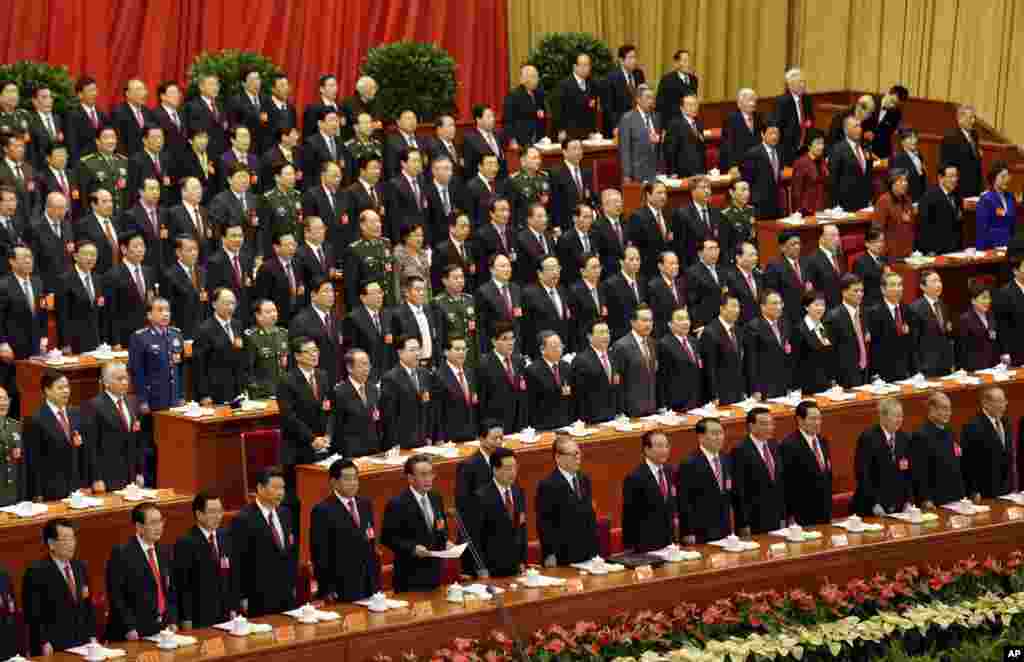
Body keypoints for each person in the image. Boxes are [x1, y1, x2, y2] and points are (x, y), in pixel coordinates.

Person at [23, 518, 97, 655]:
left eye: (73, 538)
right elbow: (33, 614)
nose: (71, 544)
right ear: (51, 544)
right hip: (54, 647)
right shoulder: (37, 572)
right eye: (66, 540)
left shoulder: (80, 567)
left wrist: (92, 636)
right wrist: (43, 642)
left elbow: (88, 605)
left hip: (82, 644)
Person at [310, 458, 380, 602]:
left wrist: (374, 580)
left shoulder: (365, 504)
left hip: (367, 583)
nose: (353, 483)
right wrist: (327, 588)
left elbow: (370, 541)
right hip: (341, 585)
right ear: (334, 482)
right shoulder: (322, 510)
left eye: (355, 478)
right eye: (347, 479)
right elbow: (320, 553)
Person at [105, 503, 178, 640]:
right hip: (133, 633)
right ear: (139, 527)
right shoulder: (122, 554)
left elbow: (170, 590)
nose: (159, 527)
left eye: (160, 521)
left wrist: (173, 620)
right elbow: (116, 596)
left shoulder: (165, 551)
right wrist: (129, 628)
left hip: (161, 630)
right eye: (153, 522)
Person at [381, 454, 454, 592]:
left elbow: (440, 527)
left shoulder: (436, 497)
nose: (428, 479)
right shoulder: (397, 504)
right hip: (410, 576)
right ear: (410, 478)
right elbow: (388, 538)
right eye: (423, 474)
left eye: (431, 474)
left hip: (435, 573)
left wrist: (445, 541)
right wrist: (412, 548)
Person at [231, 467, 298, 615]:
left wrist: (293, 584)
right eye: (275, 488)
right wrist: (241, 597)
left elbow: (291, 552)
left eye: (282, 488)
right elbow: (238, 562)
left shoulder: (285, 513)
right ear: (260, 488)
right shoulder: (243, 519)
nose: (280, 493)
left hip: (286, 594)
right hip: (258, 597)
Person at [278, 336, 332, 519]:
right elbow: (289, 417)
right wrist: (311, 439)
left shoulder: (323, 376)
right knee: (297, 502)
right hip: (297, 448)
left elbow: (329, 408)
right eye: (309, 352)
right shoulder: (287, 380)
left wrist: (328, 435)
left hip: (322, 445)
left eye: (316, 350)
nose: (314, 355)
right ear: (298, 356)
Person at [173, 493, 237, 629]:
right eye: (212, 512)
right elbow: (183, 585)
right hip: (200, 616)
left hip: (225, 613)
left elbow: (231, 575)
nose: (218, 516)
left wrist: (232, 607)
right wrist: (186, 618)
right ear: (199, 514)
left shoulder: (225, 536)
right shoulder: (186, 542)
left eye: (220, 511)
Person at [23, 371, 91, 501]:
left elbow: (83, 451)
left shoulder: (76, 413)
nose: (66, 391)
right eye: (60, 388)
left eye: (67, 387)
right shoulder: (36, 419)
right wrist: (37, 492)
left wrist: (85, 483)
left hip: (76, 486)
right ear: (47, 391)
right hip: (50, 488)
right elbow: (33, 460)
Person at [536, 436, 599, 565]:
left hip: (587, 554)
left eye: (578, 453)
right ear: (558, 458)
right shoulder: (548, 485)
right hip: (562, 555)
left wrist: (594, 550)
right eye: (573, 455)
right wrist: (549, 553)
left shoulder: (583, 479)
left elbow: (589, 515)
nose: (578, 458)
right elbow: (544, 523)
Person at [82, 362, 142, 491]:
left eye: (126, 378)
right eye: (120, 379)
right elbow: (91, 446)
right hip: (107, 475)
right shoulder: (94, 406)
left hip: (130, 474)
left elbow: (136, 441)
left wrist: (139, 471)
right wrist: (96, 478)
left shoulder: (132, 401)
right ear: (106, 382)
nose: (125, 382)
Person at [851, 399, 914, 517]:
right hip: (871, 507)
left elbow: (908, 473)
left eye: (901, 416)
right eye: (896, 416)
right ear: (883, 416)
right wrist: (874, 503)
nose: (899, 420)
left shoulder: (904, 438)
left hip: (899, 507)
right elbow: (863, 474)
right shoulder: (868, 438)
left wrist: (908, 500)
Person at [128, 298, 185, 429]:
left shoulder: (176, 335)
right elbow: (136, 371)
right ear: (149, 315)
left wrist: (181, 395)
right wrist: (142, 400)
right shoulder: (140, 337)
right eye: (160, 310)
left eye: (167, 310)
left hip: (174, 397)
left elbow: (181, 369)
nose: (165, 314)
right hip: (153, 398)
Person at [732, 407, 787, 535]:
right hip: (754, 519)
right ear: (751, 426)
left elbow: (779, 482)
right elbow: (739, 491)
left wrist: (784, 515)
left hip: (776, 517)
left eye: (771, 424)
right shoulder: (740, 451)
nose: (769, 428)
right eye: (764, 424)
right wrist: (743, 523)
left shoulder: (774, 445)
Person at [677, 418, 732, 543]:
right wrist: (688, 532)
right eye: (714, 433)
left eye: (721, 433)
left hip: (724, 529)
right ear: (701, 437)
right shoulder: (689, 463)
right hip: (700, 531)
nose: (719, 437)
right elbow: (684, 501)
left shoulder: (726, 459)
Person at [622, 431, 676, 552]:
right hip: (645, 546)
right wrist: (630, 548)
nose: (665, 450)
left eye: (667, 446)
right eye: (659, 446)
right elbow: (629, 516)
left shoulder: (670, 472)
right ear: (647, 449)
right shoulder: (635, 478)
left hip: (669, 543)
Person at [781, 401, 833, 525]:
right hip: (802, 515)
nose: (817, 423)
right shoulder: (789, 445)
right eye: (813, 419)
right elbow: (788, 484)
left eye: (819, 418)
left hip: (824, 512)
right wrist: (791, 515)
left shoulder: (822, 441)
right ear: (800, 420)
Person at [193, 288, 248, 405]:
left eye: (233, 303)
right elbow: (199, 365)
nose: (230, 307)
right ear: (214, 304)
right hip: (215, 392)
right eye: (226, 303)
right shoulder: (205, 329)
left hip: (237, 390)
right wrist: (204, 394)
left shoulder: (237, 325)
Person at [961, 386, 1018, 499]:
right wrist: (973, 490)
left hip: (1007, 488)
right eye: (999, 401)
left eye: (1004, 401)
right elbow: (969, 462)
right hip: (985, 491)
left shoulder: (1006, 422)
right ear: (985, 403)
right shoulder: (973, 427)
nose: (1003, 405)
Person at [912, 392, 966, 508]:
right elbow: (919, 472)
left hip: (955, 498)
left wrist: (962, 494)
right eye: (944, 409)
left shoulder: (950, 432)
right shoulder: (921, 436)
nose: (949, 413)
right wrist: (925, 498)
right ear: (932, 409)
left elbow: (956, 465)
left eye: (950, 409)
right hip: (935, 501)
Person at [288, 277, 343, 388]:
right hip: (312, 382)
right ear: (313, 295)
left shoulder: (336, 318)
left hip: (335, 379)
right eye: (326, 291)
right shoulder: (300, 321)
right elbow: (295, 356)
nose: (331, 295)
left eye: (332, 291)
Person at [381, 336, 435, 448]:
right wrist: (395, 444)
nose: (417, 353)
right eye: (412, 350)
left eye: (418, 349)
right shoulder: (390, 378)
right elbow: (389, 416)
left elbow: (429, 408)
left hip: (423, 441)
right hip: (402, 443)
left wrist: (429, 436)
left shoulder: (425, 374)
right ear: (400, 353)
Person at [103, 232, 156, 349]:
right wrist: (115, 341)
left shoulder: (149, 272)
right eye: (136, 246)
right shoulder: (112, 275)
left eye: (142, 246)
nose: (140, 250)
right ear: (124, 249)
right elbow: (111, 312)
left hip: (148, 335)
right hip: (125, 338)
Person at [476, 322, 529, 434]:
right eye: (505, 339)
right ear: (494, 342)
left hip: (518, 425)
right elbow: (482, 402)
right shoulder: (484, 365)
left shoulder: (519, 361)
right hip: (496, 428)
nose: (510, 343)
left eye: (512, 338)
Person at [329, 349, 382, 458]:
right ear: (349, 368)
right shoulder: (339, 392)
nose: (366, 369)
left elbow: (376, 420)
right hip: (350, 453)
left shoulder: (373, 389)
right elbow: (336, 427)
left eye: (368, 364)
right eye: (362, 365)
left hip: (373, 451)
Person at [0, 244, 47, 360]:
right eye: (24, 258)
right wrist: (2, 343)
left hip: (36, 346)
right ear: (12, 262)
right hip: (12, 347)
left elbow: (42, 312)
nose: (28, 261)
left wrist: (43, 337)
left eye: (30, 257)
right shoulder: (3, 285)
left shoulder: (38, 282)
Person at [743, 290, 792, 399]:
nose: (779, 307)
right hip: (764, 388)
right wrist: (754, 389)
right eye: (774, 303)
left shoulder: (785, 324)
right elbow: (751, 360)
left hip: (783, 386)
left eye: (780, 303)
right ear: (763, 307)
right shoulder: (753, 327)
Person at [522, 256, 573, 359]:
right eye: (550, 269)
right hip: (541, 353)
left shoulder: (562, 290)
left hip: (563, 351)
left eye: (557, 268)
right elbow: (527, 328)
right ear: (540, 273)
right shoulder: (529, 294)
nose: (555, 272)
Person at [866, 272, 914, 381]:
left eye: (900, 285)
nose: (897, 289)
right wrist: (875, 374)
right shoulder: (874, 312)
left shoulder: (907, 310)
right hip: (883, 373)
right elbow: (874, 347)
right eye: (893, 285)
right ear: (883, 289)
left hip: (904, 371)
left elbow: (911, 343)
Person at [611, 305, 658, 417]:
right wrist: (621, 412)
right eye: (644, 320)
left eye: (650, 320)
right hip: (630, 411)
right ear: (633, 322)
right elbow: (618, 383)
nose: (648, 324)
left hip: (650, 408)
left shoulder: (653, 343)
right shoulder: (621, 346)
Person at [571, 319, 621, 423]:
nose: (606, 336)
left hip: (612, 418)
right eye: (601, 333)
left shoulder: (613, 356)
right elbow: (579, 395)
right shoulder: (581, 360)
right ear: (589, 337)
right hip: (591, 419)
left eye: (607, 332)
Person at [431, 336, 479, 444]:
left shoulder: (469, 372)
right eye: (457, 349)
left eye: (464, 349)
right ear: (446, 352)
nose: (461, 352)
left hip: (471, 434)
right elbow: (437, 410)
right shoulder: (439, 376)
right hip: (450, 437)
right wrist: (439, 438)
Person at [700, 293, 746, 405]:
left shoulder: (738, 330)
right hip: (721, 394)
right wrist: (714, 395)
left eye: (738, 307)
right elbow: (709, 367)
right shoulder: (710, 332)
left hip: (738, 393)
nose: (737, 310)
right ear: (722, 309)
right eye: (733, 306)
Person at [824, 274, 869, 388]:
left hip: (864, 373)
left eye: (861, 291)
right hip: (844, 377)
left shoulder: (864, 313)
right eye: (855, 291)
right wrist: (832, 379)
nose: (860, 294)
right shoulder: (834, 317)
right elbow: (830, 351)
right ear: (844, 292)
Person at [908, 269, 954, 377]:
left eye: (939, 281)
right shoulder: (915, 308)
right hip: (926, 367)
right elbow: (913, 342)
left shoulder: (943, 305)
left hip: (944, 365)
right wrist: (917, 370)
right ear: (923, 287)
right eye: (934, 281)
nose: (938, 284)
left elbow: (946, 336)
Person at [657, 307, 704, 411]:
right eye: (680, 319)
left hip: (696, 401)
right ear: (670, 324)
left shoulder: (694, 342)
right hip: (676, 404)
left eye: (687, 319)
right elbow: (662, 378)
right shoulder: (664, 344)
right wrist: (663, 405)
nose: (685, 322)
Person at [433, 263, 479, 370]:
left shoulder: (469, 299)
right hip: (452, 357)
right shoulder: (438, 303)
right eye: (455, 278)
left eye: (462, 277)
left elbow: (475, 331)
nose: (460, 281)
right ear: (445, 281)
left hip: (471, 356)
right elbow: (439, 337)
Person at [474, 253, 522, 354]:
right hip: (495, 348)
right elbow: (481, 327)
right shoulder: (483, 292)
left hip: (515, 347)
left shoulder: (516, 289)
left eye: (509, 266)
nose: (507, 269)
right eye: (502, 266)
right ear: (492, 269)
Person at [161, 235, 207, 340]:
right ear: (178, 252)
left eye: (195, 249)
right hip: (181, 332)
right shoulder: (170, 275)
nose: (194, 253)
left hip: (201, 331)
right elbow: (167, 309)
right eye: (189, 250)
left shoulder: (202, 272)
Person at [389, 275, 441, 367]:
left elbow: (434, 337)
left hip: (431, 362)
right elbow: (395, 347)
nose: (422, 293)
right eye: (417, 290)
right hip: (411, 364)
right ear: (407, 292)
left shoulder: (429, 310)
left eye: (423, 290)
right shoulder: (398, 314)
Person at [526, 331, 573, 431]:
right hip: (543, 426)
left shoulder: (567, 367)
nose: (559, 349)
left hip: (566, 424)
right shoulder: (532, 370)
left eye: (560, 345)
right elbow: (531, 403)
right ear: (542, 350)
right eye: (554, 346)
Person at [29, 191, 74, 295]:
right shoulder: (35, 228)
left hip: (67, 286)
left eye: (64, 208)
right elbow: (33, 262)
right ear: (48, 207)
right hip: (46, 286)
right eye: (58, 208)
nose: (62, 212)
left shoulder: (67, 226)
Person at [243, 299, 288, 400]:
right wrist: (256, 390)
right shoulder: (251, 337)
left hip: (283, 391)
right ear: (258, 315)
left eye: (274, 311)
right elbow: (247, 370)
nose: (273, 314)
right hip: (262, 394)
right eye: (268, 312)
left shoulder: (283, 333)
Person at [958, 279, 1006, 372]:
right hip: (975, 368)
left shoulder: (991, 315)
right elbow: (962, 349)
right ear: (973, 301)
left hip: (994, 366)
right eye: (984, 298)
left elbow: (995, 338)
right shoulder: (965, 319)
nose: (988, 301)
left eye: (989, 298)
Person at [764, 230, 809, 328]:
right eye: (793, 244)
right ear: (782, 248)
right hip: (788, 320)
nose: (797, 247)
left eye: (798, 243)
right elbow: (773, 295)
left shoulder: (806, 262)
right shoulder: (774, 267)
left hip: (807, 317)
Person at [675, 176, 723, 267]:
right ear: (693, 191)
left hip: (716, 265)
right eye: (703, 188)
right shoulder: (683, 214)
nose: (707, 191)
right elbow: (681, 247)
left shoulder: (716, 212)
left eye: (709, 187)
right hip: (694, 266)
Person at [793, 290, 835, 393]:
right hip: (807, 386)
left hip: (826, 384)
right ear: (806, 307)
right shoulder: (799, 330)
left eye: (823, 305)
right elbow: (795, 361)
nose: (820, 308)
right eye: (816, 305)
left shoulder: (826, 327)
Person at [916, 164, 962, 256]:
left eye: (956, 176)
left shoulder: (957, 196)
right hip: (936, 251)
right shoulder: (929, 197)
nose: (954, 180)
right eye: (951, 176)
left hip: (954, 250)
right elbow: (924, 227)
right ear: (940, 178)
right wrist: (929, 250)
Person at [741, 123, 786, 219]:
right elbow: (748, 181)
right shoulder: (753, 154)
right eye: (771, 133)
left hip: (776, 205)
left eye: (777, 133)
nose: (774, 137)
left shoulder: (780, 151)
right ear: (762, 134)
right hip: (759, 206)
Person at [617, 85, 660, 184]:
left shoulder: (655, 117)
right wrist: (627, 175)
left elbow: (657, 146)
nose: (651, 101)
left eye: (652, 98)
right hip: (636, 174)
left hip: (653, 173)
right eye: (648, 97)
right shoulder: (628, 118)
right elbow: (624, 149)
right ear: (638, 100)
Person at [772, 68, 813, 166]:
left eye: (804, 82)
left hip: (804, 148)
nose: (803, 85)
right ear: (790, 85)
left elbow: (810, 118)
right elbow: (777, 127)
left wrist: (809, 122)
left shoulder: (807, 99)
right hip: (787, 151)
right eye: (800, 82)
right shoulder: (782, 102)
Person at [939, 105, 982, 198]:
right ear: (960, 119)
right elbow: (946, 165)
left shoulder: (975, 136)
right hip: (959, 189)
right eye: (970, 118)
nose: (973, 121)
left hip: (975, 189)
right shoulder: (950, 137)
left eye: (974, 117)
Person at [604, 245, 646, 340]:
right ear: (621, 262)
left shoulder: (642, 281)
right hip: (622, 336)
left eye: (638, 259)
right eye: (631, 259)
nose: (635, 262)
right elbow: (612, 317)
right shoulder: (611, 284)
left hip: (642, 334)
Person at [554, 53, 599, 141]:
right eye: (583, 65)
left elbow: (593, 110)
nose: (587, 68)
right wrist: (561, 130)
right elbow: (558, 109)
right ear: (575, 67)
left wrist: (593, 131)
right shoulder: (564, 85)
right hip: (569, 134)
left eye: (588, 65)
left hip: (587, 134)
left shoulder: (592, 84)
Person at [720, 88, 764, 173]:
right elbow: (728, 144)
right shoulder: (731, 119)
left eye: (754, 100)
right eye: (749, 100)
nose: (753, 103)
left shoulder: (758, 117)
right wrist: (732, 166)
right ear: (739, 104)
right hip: (738, 165)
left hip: (755, 164)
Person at [502, 65, 546, 149]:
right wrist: (512, 140)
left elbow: (542, 115)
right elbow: (508, 120)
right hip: (521, 141)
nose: (537, 79)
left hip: (538, 140)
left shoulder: (539, 94)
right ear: (524, 79)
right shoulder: (513, 95)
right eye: (534, 77)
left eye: (537, 76)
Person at [685, 237, 725, 330]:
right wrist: (698, 325)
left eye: (716, 248)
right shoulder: (693, 273)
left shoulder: (723, 270)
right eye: (710, 249)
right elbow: (692, 303)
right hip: (706, 323)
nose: (714, 252)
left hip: (723, 321)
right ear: (700, 253)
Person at [663, 94, 706, 179]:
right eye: (690, 105)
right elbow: (670, 150)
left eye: (695, 105)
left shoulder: (698, 124)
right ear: (682, 108)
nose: (694, 108)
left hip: (699, 172)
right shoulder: (675, 124)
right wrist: (672, 172)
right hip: (682, 173)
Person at [976, 162, 1016, 249]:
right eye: (1003, 177)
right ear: (993, 178)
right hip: (992, 247)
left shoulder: (1010, 197)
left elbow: (1012, 226)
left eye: (1008, 176)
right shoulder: (986, 199)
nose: (1006, 180)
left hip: (1009, 247)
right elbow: (982, 230)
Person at [462, 105, 507, 182]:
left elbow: (501, 159)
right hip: (481, 184)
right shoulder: (470, 139)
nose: (493, 119)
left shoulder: (498, 135)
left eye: (493, 116)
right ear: (478, 119)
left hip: (500, 182)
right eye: (488, 117)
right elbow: (468, 167)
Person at [876, 170, 915, 259]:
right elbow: (877, 231)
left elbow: (912, 227)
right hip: (891, 256)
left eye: (906, 180)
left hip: (908, 254)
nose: (905, 184)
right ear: (892, 183)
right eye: (900, 181)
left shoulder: (908, 200)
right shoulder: (883, 201)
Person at [804, 224, 844, 309]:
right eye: (833, 235)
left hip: (841, 307)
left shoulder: (839, 256)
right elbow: (811, 292)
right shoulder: (812, 260)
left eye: (838, 235)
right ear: (821, 238)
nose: (837, 239)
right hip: (825, 310)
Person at [647, 251, 685, 337]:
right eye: (671, 264)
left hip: (682, 333)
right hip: (665, 336)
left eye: (677, 263)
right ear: (660, 266)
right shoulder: (653, 286)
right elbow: (655, 317)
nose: (675, 266)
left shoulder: (681, 283)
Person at [655, 49, 698, 125]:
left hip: (690, 122)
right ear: (676, 63)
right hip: (673, 123)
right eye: (685, 61)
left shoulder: (694, 79)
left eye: (689, 61)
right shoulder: (667, 80)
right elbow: (660, 105)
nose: (688, 64)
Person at [994, 255, 1024, 366]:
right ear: (1015, 271)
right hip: (1017, 350)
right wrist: (1005, 351)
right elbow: (1002, 326)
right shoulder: (1005, 293)